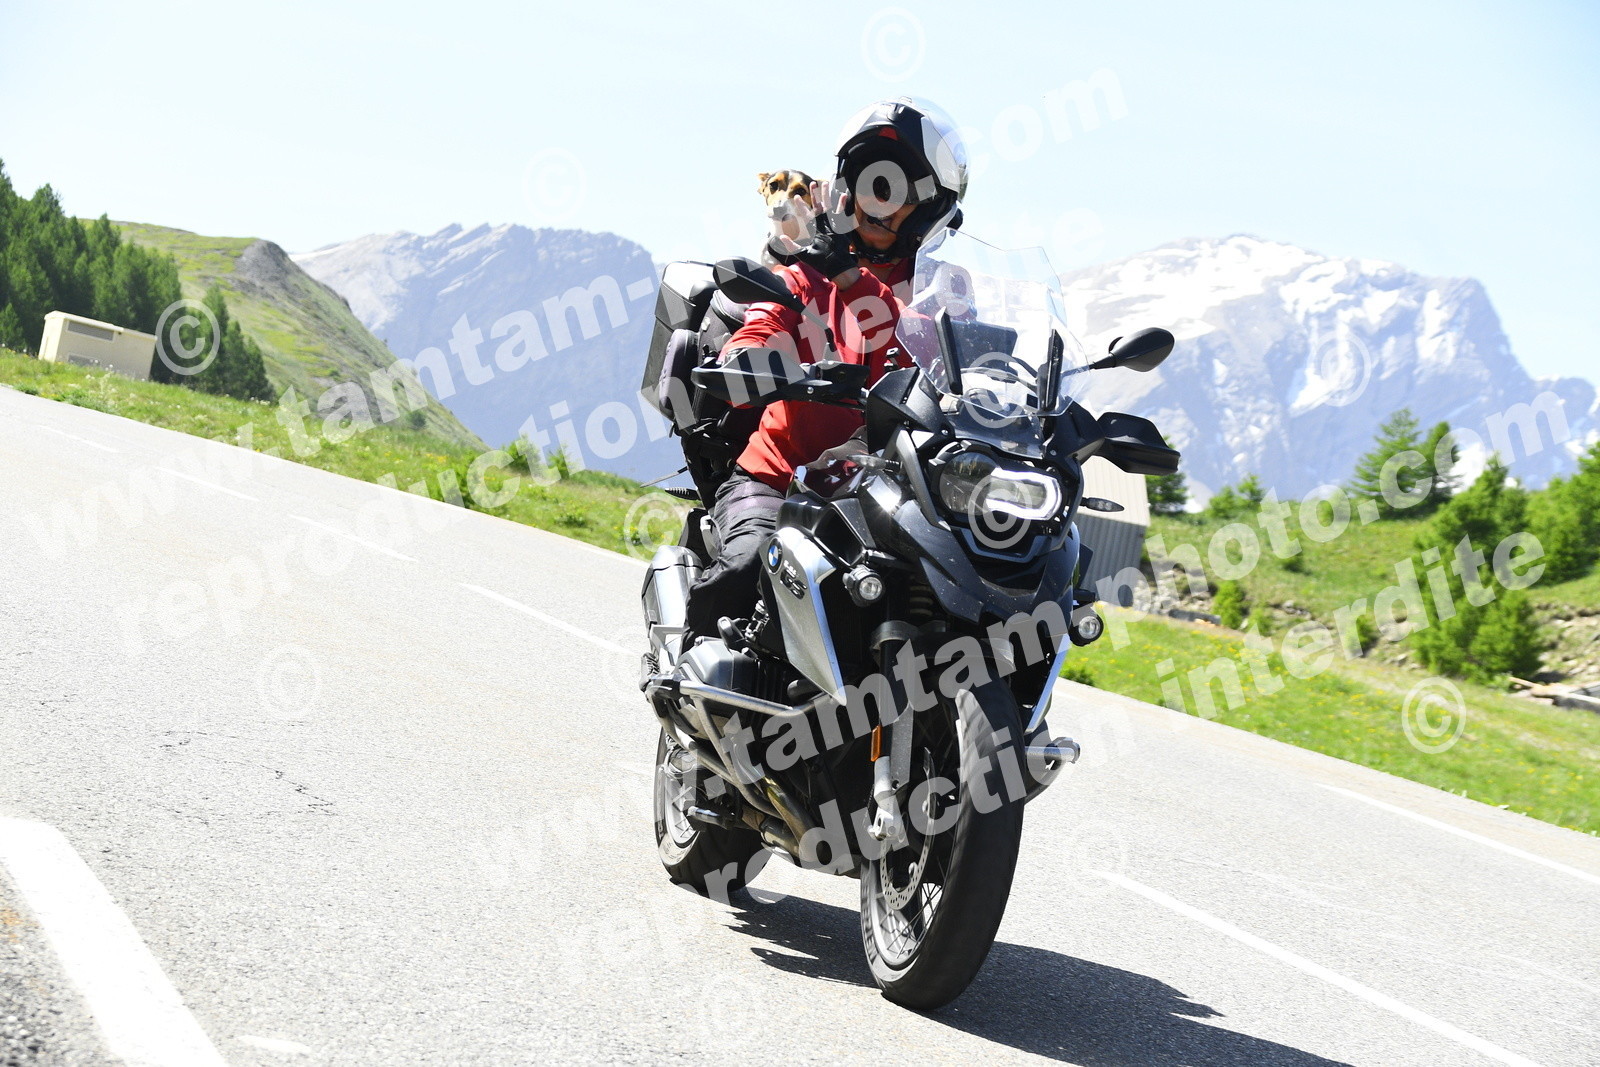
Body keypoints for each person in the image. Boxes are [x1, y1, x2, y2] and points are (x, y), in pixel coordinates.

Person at [683, 98, 969, 642]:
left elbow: (930, 350)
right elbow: (762, 324)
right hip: (782, 480)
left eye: (899, 190)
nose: (880, 202)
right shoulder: (804, 274)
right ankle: (691, 667)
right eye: (870, 184)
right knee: (747, 567)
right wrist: (749, 359)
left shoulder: (945, 288)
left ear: (930, 203)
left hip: (902, 496)